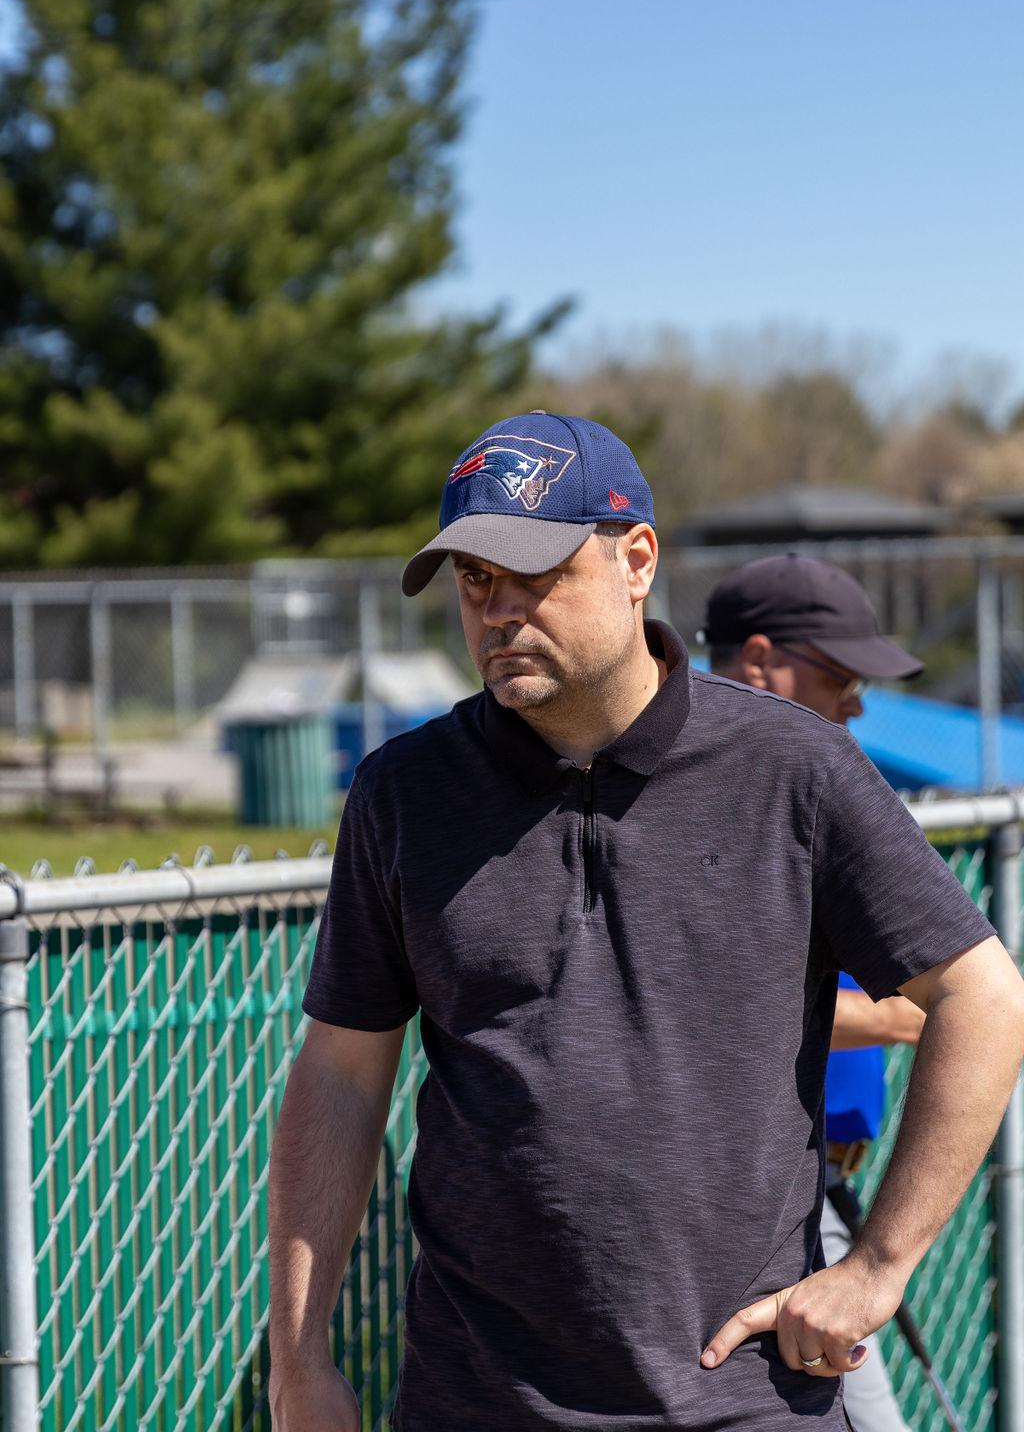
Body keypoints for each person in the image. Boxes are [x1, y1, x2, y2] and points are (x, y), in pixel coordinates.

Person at [268, 411, 1024, 1432]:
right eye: (473, 580)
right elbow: (340, 1073)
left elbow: (980, 993)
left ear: (636, 561)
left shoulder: (793, 769)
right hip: (472, 1403)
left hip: (743, 1397)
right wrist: (298, 1358)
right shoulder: (403, 792)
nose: (497, 610)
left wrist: (879, 1264)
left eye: (532, 573)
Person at [700, 552, 936, 1432]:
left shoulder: (812, 786)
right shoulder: (701, 792)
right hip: (749, 1209)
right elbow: (714, 1006)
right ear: (758, 660)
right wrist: (896, 1017)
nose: (858, 701)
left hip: (822, 1183)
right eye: (838, 675)